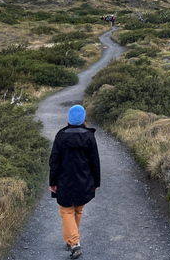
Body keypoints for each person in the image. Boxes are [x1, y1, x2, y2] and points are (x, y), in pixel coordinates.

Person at [49, 104, 101, 259]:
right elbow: (95, 162)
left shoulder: (61, 136)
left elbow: (54, 161)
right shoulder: (89, 136)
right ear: (83, 118)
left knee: (66, 211)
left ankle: (74, 243)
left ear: (69, 119)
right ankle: (73, 240)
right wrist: (96, 182)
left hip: (64, 180)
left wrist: (52, 182)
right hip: (84, 181)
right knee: (77, 210)